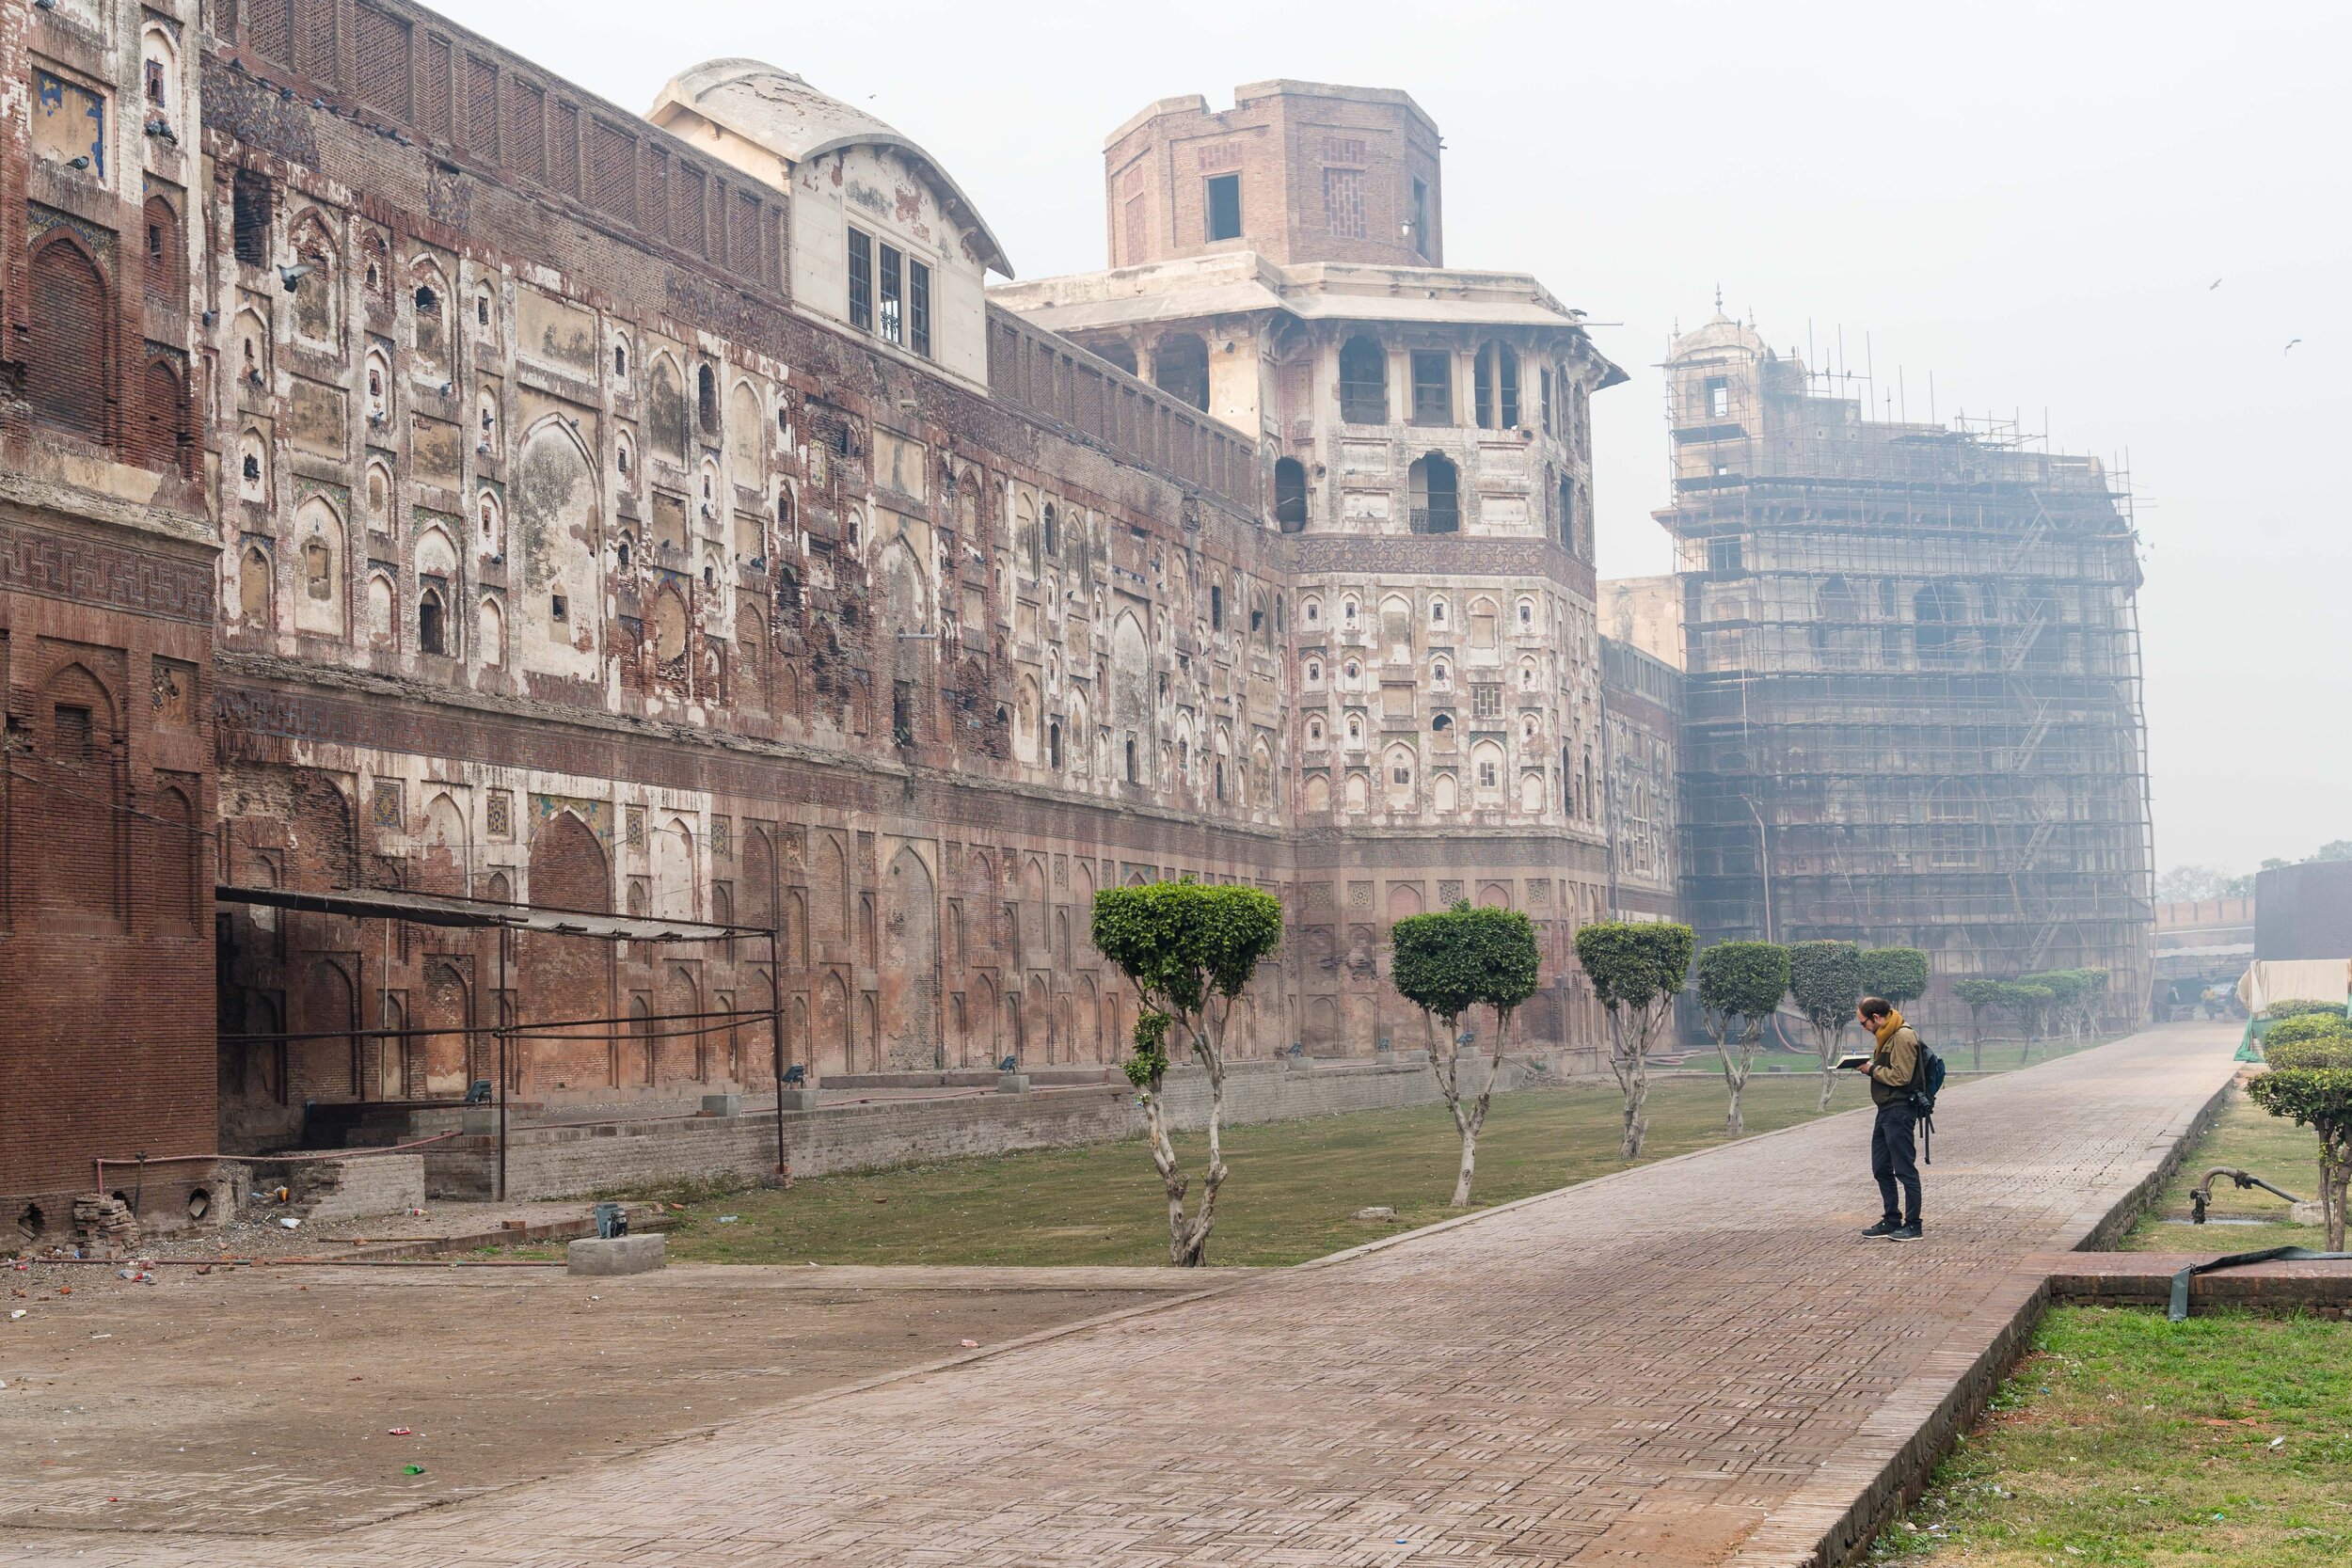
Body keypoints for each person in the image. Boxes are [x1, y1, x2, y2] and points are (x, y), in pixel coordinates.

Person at [1852, 995, 1923, 1242]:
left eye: (1863, 1023)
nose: (1863, 1028)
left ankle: (1913, 1225)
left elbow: (1901, 1077)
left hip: (1900, 1109)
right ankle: (1891, 1218)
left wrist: (1870, 1069)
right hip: (1885, 1109)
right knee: (1881, 1167)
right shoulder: (1886, 1035)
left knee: (1904, 1169)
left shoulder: (1902, 1036)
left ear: (1876, 1017)